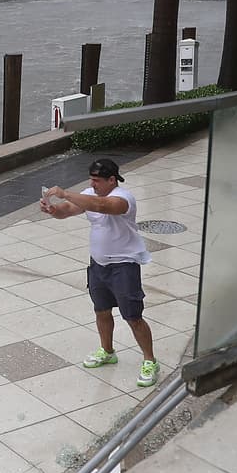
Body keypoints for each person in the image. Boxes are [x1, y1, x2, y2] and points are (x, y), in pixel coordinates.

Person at [41, 158, 159, 387]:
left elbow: (102, 206)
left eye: (97, 181)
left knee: (133, 316)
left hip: (123, 265)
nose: (93, 185)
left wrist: (64, 193)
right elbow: (68, 210)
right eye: (91, 180)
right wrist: (53, 209)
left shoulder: (124, 198)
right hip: (98, 266)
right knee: (101, 310)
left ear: (111, 180)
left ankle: (150, 360)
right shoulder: (88, 194)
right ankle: (107, 350)